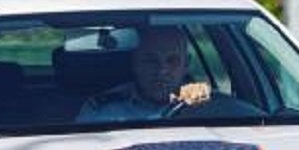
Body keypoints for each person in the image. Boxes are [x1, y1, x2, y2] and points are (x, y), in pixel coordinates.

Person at [77, 27, 210, 122]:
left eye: (172, 60)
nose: (162, 70)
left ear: (186, 65)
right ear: (134, 63)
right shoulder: (102, 111)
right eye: (151, 60)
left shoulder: (212, 107)